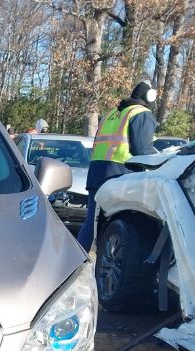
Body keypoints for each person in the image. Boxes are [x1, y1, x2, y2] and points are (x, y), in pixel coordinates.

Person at [76, 80, 158, 250]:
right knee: (121, 225)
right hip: (121, 175)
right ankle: (111, 260)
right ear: (150, 97)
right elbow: (142, 150)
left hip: (97, 173)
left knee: (91, 221)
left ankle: (77, 258)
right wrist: (161, 160)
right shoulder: (141, 113)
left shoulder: (112, 113)